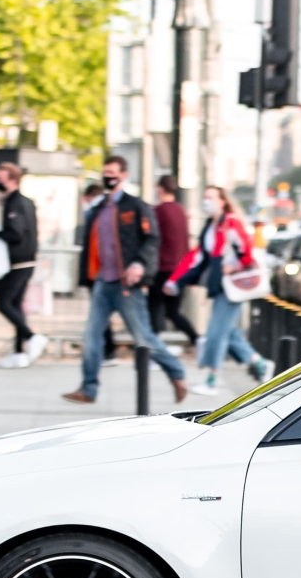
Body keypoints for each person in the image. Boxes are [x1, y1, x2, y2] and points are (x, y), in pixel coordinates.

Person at [62, 154, 187, 405]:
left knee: (143, 336)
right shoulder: (98, 210)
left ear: (123, 175)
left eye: (113, 173)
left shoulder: (136, 206)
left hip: (127, 284)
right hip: (102, 282)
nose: (108, 177)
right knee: (91, 335)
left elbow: (152, 238)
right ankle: (89, 389)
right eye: (105, 172)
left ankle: (177, 374)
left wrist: (140, 265)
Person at [167, 184, 275, 393]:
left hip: (233, 286)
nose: (206, 201)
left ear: (222, 201)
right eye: (205, 197)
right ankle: (259, 363)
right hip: (220, 287)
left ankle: (211, 379)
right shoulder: (211, 225)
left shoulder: (231, 223)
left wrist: (232, 266)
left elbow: (247, 252)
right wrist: (177, 281)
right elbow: (200, 258)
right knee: (229, 332)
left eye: (211, 198)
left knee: (216, 332)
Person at [0, 159, 47, 368]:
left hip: (17, 261)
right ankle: (18, 352)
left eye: (1, 175)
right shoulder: (25, 201)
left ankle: (31, 337)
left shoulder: (14, 203)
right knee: (15, 305)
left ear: (11, 179)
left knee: (4, 303)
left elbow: (15, 233)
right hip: (26, 260)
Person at [147, 173, 199, 348]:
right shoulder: (181, 211)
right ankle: (196, 339)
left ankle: (155, 348)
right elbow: (186, 241)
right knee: (173, 312)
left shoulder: (158, 211)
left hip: (162, 268)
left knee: (153, 308)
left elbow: (153, 240)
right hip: (180, 269)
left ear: (160, 189)